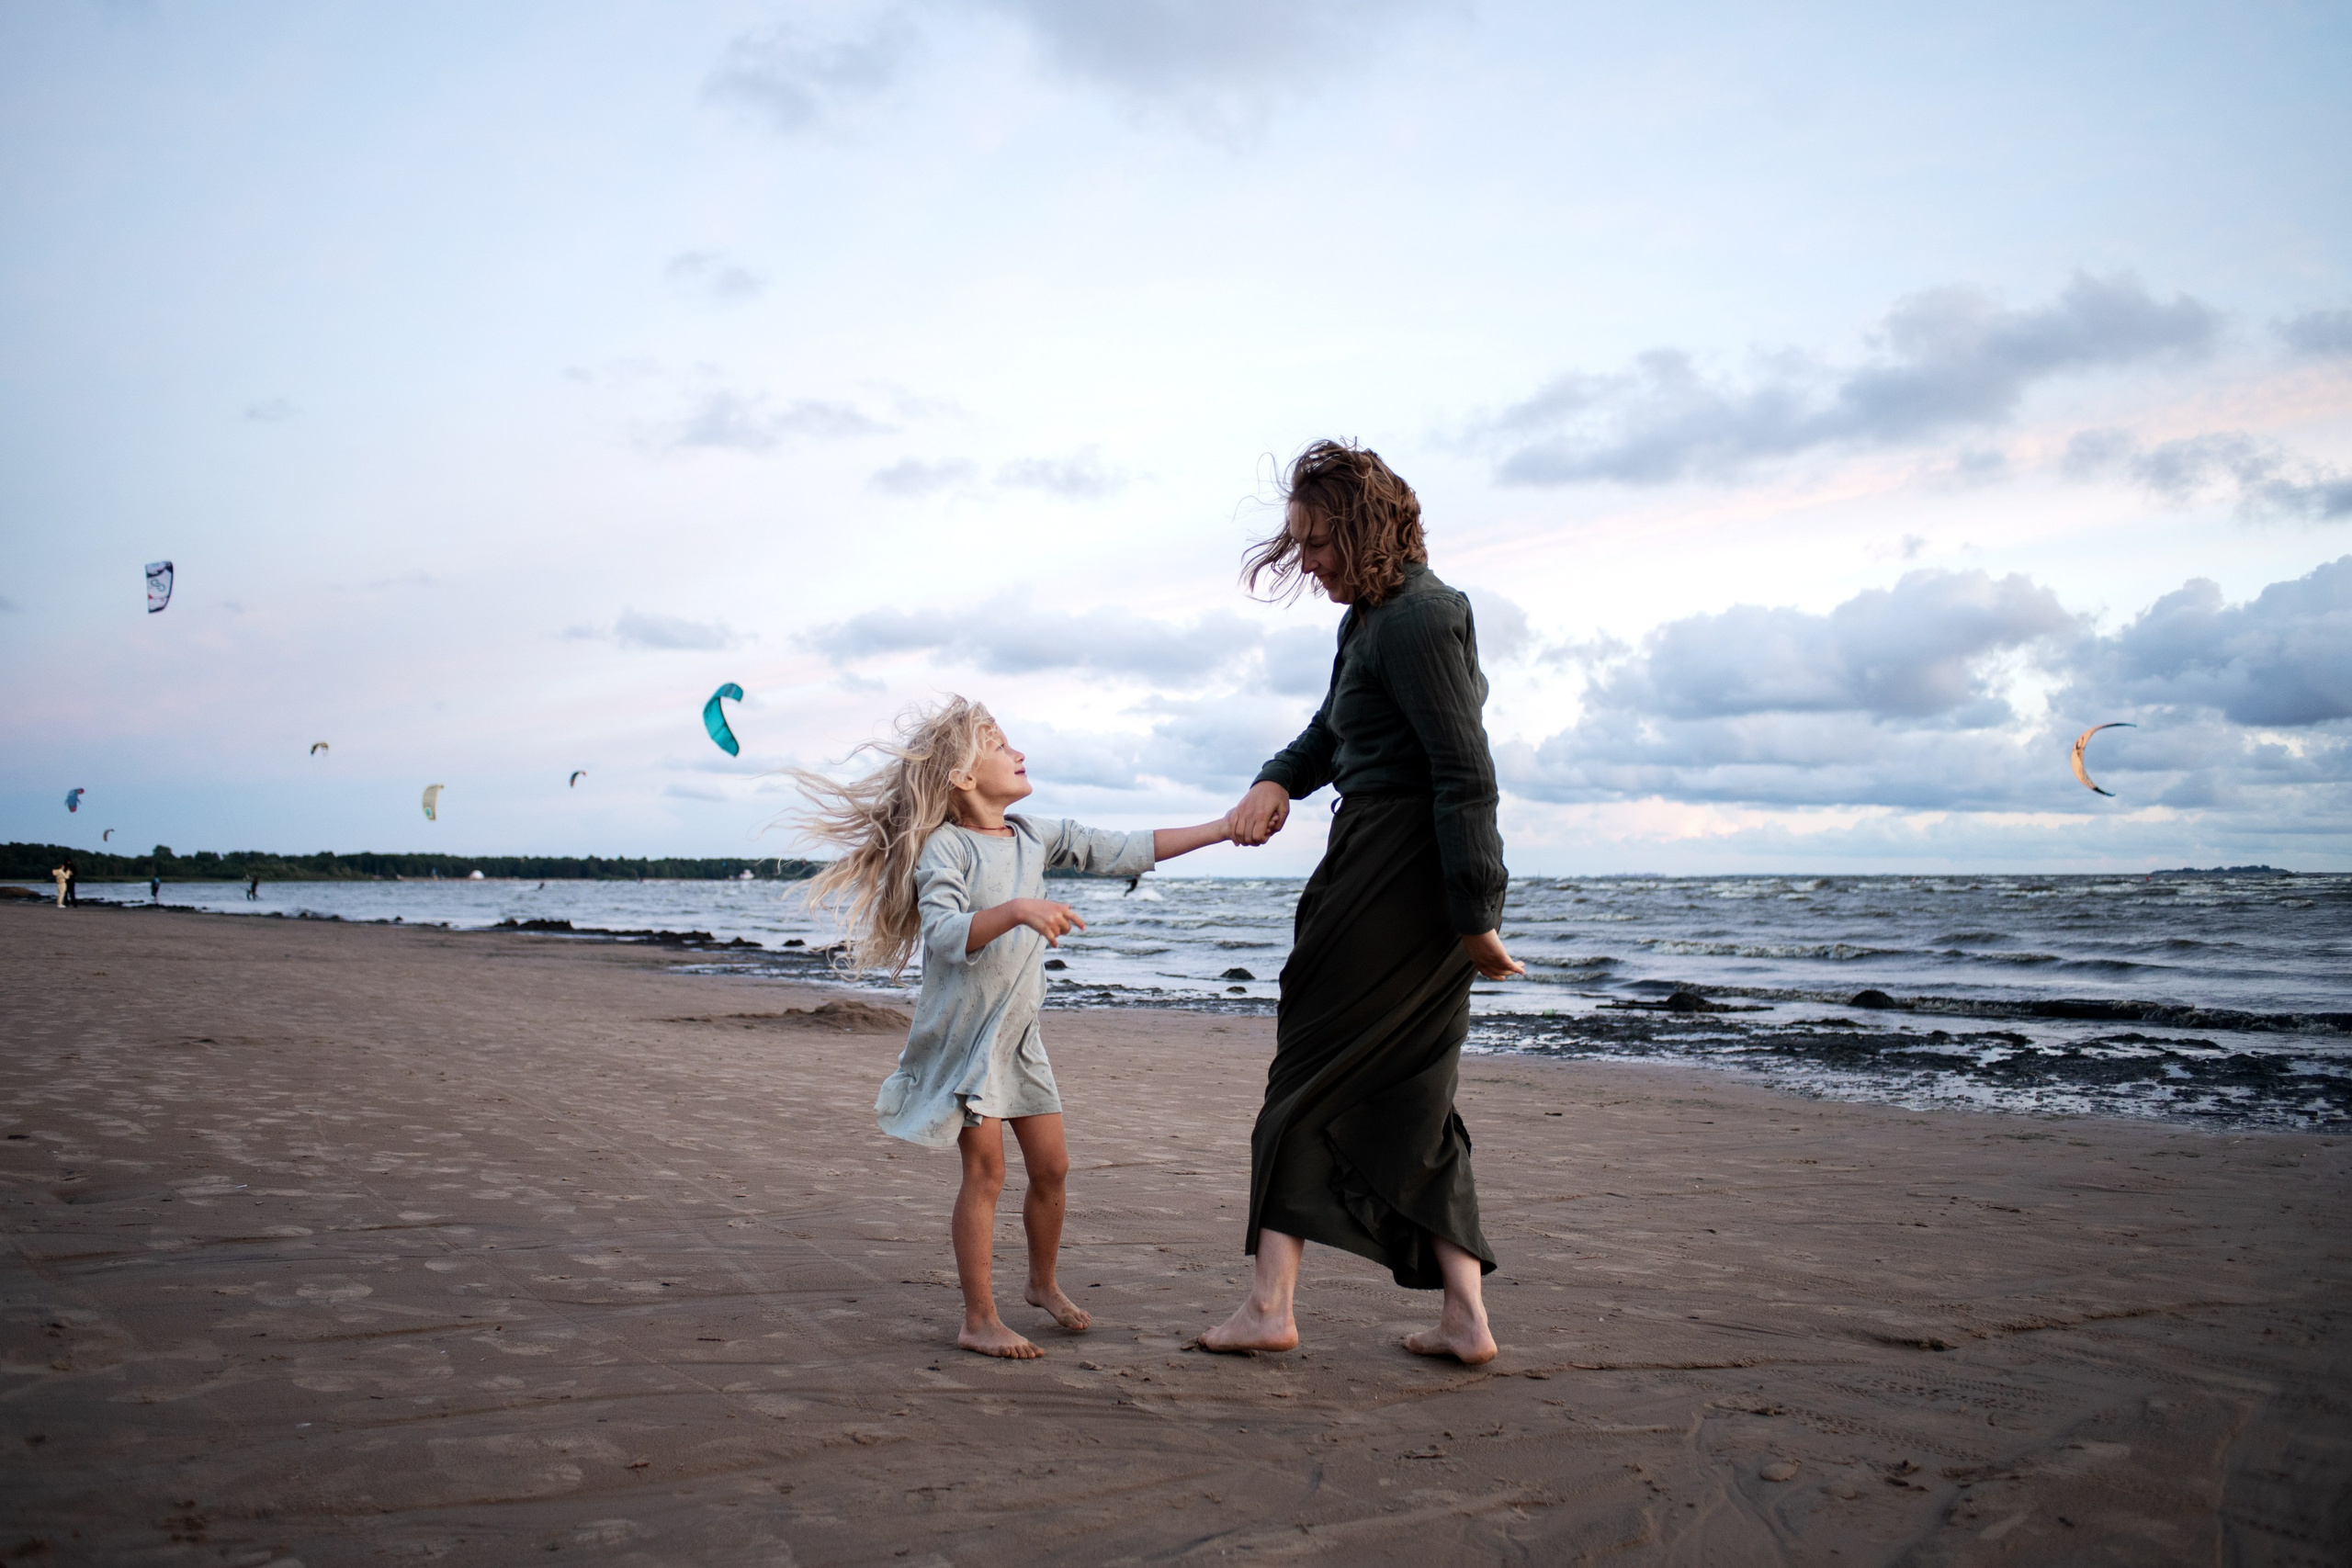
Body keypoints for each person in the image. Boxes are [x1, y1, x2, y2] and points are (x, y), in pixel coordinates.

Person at [1202, 439, 1523, 1367]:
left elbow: (1465, 773)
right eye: (1297, 544)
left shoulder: (1420, 619)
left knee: (1303, 1078)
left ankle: (1269, 1307)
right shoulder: (1374, 620)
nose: (1306, 563)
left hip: (1394, 871)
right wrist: (1276, 781)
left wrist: (1476, 915)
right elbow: (1332, 731)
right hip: (1394, 863)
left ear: (1364, 527)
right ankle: (1465, 1321)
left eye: (1317, 543)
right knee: (1414, 1093)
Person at [791, 697, 1234, 1359]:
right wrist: (1019, 908)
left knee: (1053, 1167)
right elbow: (942, 932)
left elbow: (1124, 850)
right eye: (1000, 744)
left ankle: (1040, 1282)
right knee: (988, 1173)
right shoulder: (947, 847)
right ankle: (978, 1318)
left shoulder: (1032, 835)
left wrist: (1225, 827)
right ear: (964, 779)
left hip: (1019, 1038)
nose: (1018, 752)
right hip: (968, 1040)